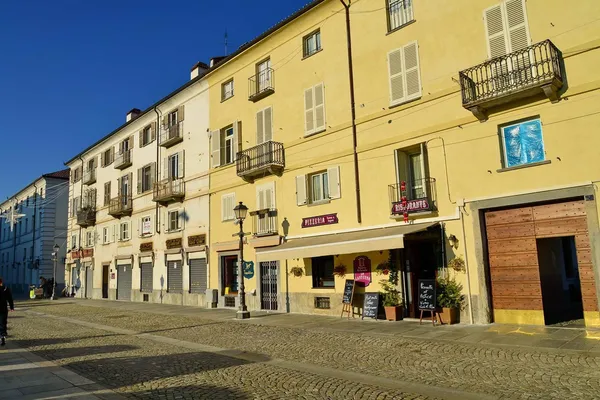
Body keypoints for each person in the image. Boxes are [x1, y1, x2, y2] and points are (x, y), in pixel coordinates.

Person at [0, 277, 15, 346]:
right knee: (3, 323)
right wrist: (11, 307)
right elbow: (10, 298)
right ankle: (2, 336)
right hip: (3, 308)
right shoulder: (5, 288)